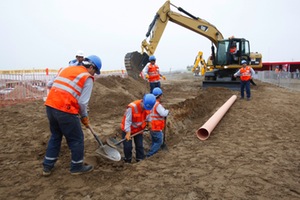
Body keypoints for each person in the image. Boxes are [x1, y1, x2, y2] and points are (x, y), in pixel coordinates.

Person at [42, 55, 102, 176]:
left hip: (51, 106)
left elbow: (51, 84)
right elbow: (82, 102)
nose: (94, 74)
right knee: (77, 139)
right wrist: (84, 116)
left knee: (56, 135)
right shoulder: (87, 77)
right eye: (95, 71)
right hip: (65, 110)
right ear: (91, 67)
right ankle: (76, 166)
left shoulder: (66, 69)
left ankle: (47, 167)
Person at [121, 93, 156, 163]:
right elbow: (127, 121)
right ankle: (127, 160)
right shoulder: (132, 107)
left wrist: (149, 122)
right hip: (128, 129)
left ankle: (140, 160)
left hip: (139, 129)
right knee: (128, 147)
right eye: (144, 107)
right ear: (142, 101)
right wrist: (128, 132)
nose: (144, 109)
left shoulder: (148, 107)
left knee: (139, 145)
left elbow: (148, 115)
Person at [146, 87, 169, 158]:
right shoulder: (157, 105)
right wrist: (167, 111)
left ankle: (152, 151)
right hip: (156, 127)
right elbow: (163, 114)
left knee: (154, 140)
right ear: (160, 96)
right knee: (159, 141)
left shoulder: (151, 103)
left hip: (151, 126)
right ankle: (150, 154)